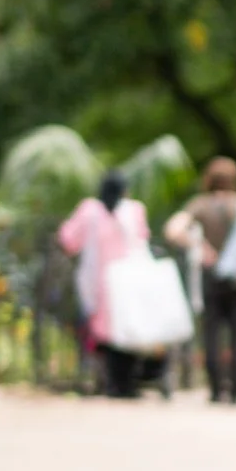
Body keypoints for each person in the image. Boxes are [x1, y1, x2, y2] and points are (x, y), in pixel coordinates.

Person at [166, 157, 236, 402]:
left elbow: (173, 229)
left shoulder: (200, 205)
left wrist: (199, 246)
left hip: (212, 274)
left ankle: (215, 390)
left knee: (211, 333)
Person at [59, 170, 154, 399]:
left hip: (98, 283)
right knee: (128, 330)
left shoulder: (89, 210)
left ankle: (111, 382)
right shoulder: (134, 210)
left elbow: (67, 240)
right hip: (129, 281)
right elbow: (143, 239)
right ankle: (126, 383)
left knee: (103, 334)